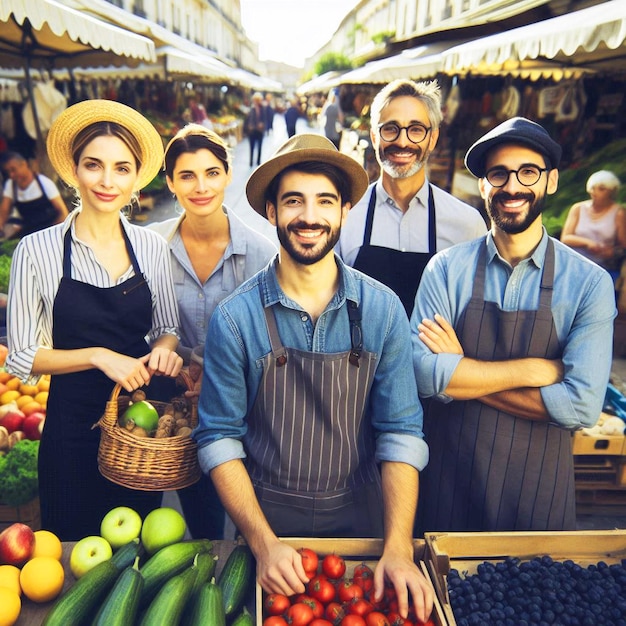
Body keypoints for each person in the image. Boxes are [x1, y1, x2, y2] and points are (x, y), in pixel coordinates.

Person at [193, 134, 433, 622]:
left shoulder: (382, 307)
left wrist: (399, 546)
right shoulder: (235, 318)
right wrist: (262, 544)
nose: (309, 216)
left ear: (344, 210)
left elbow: (401, 433)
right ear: (271, 212)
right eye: (293, 201)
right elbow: (218, 438)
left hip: (363, 524)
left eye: (325, 201)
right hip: (267, 528)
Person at [411, 117, 616, 533]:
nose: (513, 186)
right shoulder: (446, 270)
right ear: (484, 185)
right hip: (449, 488)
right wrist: (531, 371)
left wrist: (462, 370)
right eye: (498, 173)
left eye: (528, 172)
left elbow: (581, 405)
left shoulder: (588, 283)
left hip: (539, 495)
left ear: (551, 181)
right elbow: (421, 374)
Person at [5, 100, 183, 541]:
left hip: (139, 427)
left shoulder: (151, 247)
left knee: (136, 557)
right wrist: (99, 356)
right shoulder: (37, 250)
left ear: (136, 178)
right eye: (94, 165)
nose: (107, 181)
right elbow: (22, 357)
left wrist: (163, 355)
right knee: (70, 552)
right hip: (71, 430)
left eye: (122, 168)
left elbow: (167, 329)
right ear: (74, 172)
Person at [148, 124, 277, 539]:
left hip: (236, 399)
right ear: (170, 182)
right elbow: (138, 322)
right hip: (164, 397)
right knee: (159, 507)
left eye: (211, 173)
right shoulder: (149, 247)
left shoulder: (262, 253)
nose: (200, 186)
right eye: (186, 175)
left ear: (227, 175)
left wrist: (217, 378)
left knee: (227, 511)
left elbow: (270, 338)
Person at [337, 78, 487, 316]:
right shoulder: (344, 215)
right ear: (375, 137)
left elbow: (475, 314)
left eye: (416, 129)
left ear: (433, 138)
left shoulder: (468, 225)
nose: (403, 141)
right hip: (359, 354)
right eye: (390, 128)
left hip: (432, 355)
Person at [560, 170, 625, 282]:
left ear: (612, 191)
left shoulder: (619, 213)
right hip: (574, 264)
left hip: (602, 267)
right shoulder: (578, 208)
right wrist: (588, 243)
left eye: (601, 189)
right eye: (593, 188)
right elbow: (565, 238)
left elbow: (623, 245)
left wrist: (612, 252)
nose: (595, 192)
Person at [0, 151, 68, 238]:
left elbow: (63, 212)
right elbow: (4, 211)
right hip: (30, 233)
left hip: (50, 231)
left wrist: (55, 234)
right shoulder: (11, 185)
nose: (11, 175)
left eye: (13, 170)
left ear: (23, 164)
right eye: (8, 172)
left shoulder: (44, 183)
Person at [245, 92, 266, 166]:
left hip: (260, 131)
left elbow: (265, 118)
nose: (258, 101)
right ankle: (251, 161)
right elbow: (248, 120)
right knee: (252, 146)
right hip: (252, 131)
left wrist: (263, 124)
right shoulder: (251, 109)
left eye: (259, 100)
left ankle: (258, 161)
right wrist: (250, 127)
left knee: (259, 147)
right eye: (256, 100)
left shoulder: (263, 108)